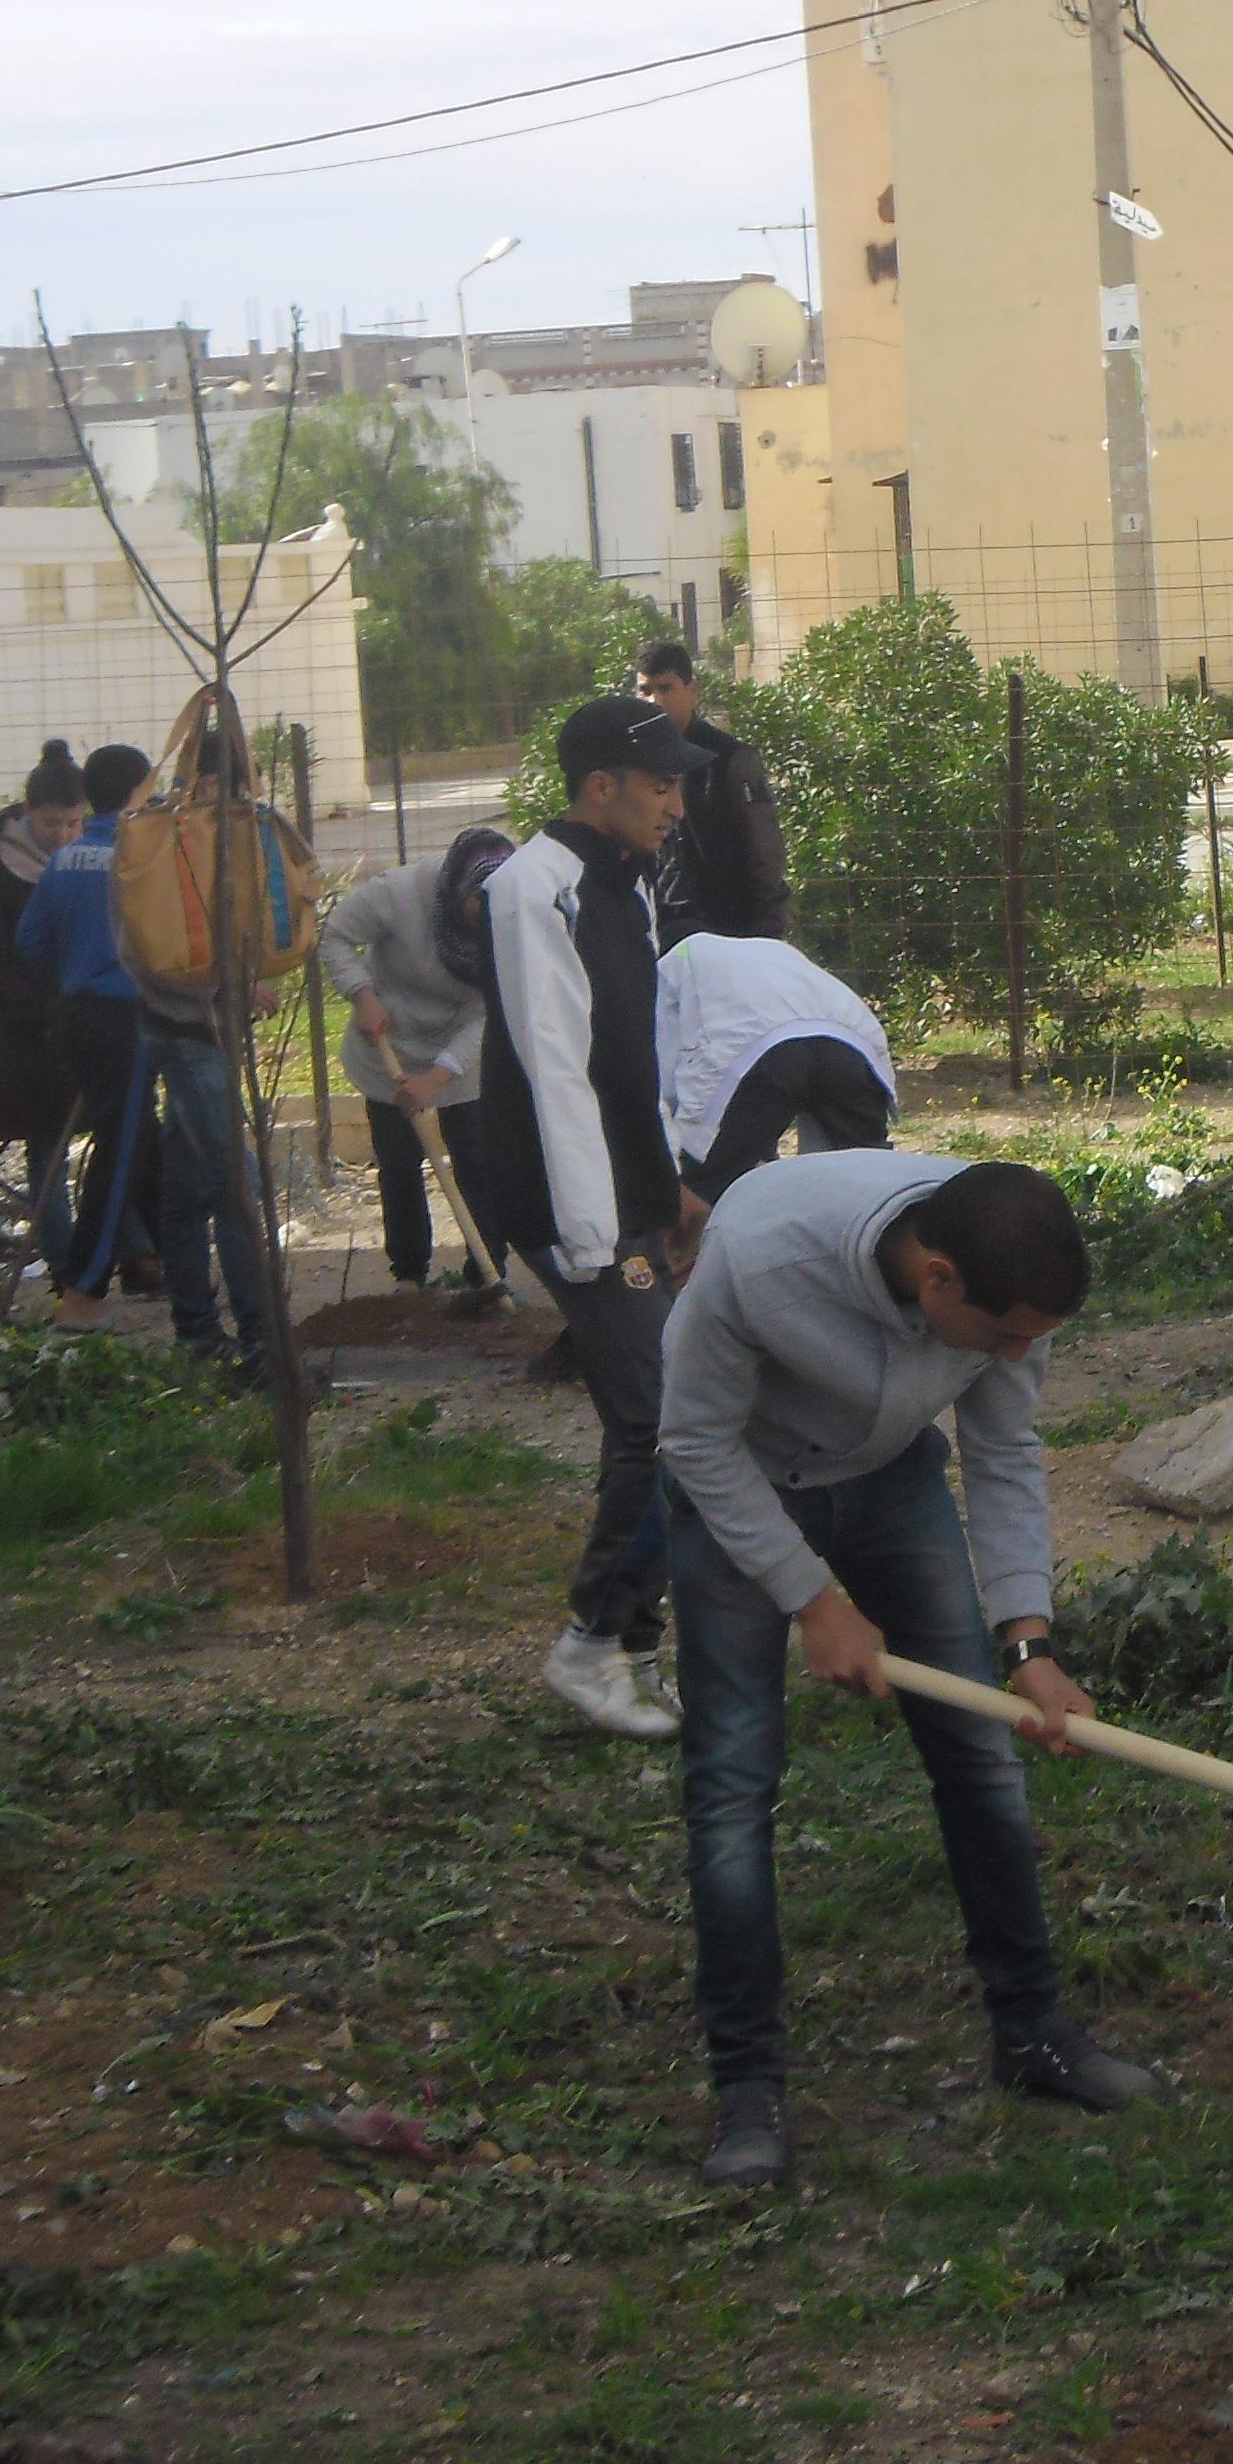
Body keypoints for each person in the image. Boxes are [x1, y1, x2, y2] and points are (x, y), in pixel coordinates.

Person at [656, 1153, 1159, 2185]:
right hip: (741, 1484)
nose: (1020, 1352)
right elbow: (693, 1440)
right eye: (1006, 1334)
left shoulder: (1002, 1270)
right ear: (935, 1278)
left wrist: (1028, 1644)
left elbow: (1005, 1450)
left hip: (890, 1483)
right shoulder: (759, 1259)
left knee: (981, 1761)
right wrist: (813, 1598)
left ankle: (1031, 2034)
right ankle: (747, 2091)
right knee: (734, 1789)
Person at [471, 697, 710, 1743]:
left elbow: (636, 1053)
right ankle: (587, 1645)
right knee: (661, 1421)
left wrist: (669, 1186)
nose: (676, 801)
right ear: (598, 786)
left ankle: (637, 1651)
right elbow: (555, 1070)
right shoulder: (533, 889)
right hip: (564, 1190)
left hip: (623, 1186)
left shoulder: (626, 881)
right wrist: (588, 1236)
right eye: (659, 783)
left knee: (671, 1415)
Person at [128, 709, 279, 1378]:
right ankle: (261, 1348)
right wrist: (228, 989)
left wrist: (245, 983)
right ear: (212, 780)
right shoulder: (161, 841)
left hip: (201, 1029)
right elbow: (156, 952)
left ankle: (195, 1332)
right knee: (239, 1189)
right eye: (236, 789)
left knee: (189, 1189)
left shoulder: (211, 834)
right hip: (187, 1031)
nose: (242, 804)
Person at [319, 827, 512, 1289]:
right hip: (390, 1045)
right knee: (398, 1161)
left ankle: (486, 1271)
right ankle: (408, 1273)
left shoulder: (513, 921)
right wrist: (361, 993)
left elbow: (491, 1013)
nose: (485, 917)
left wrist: (439, 1076)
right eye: (477, 904)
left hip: (463, 1058)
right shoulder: (403, 893)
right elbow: (335, 935)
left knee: (476, 1159)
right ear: (458, 887)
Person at [17, 739, 160, 1330]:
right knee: (121, 1153)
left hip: (77, 1014)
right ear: (135, 792)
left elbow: (30, 942)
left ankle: (172, 1262)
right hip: (126, 1019)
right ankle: (82, 1292)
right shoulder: (140, 859)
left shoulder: (65, 860)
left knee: (141, 1142)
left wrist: (78, 959)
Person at [0, 740, 85, 1285]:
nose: (62, 836)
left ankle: (133, 1256)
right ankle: (65, 1265)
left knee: (123, 1141)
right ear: (27, 812)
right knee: (47, 1150)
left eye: (73, 823)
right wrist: (38, 1013)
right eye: (52, 824)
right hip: (32, 1031)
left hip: (94, 1017)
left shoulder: (91, 857)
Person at [658, 929, 898, 1199]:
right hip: (850, 1044)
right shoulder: (773, 949)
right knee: (867, 1180)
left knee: (707, 1187)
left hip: (759, 1052)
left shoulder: (668, 966)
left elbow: (660, 1069)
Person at [635, 636, 793, 947]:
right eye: (645, 691)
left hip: (725, 928)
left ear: (691, 690)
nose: (655, 701)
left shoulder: (729, 758)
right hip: (653, 933)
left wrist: (768, 938)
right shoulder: (630, 764)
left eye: (666, 688)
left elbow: (764, 854)